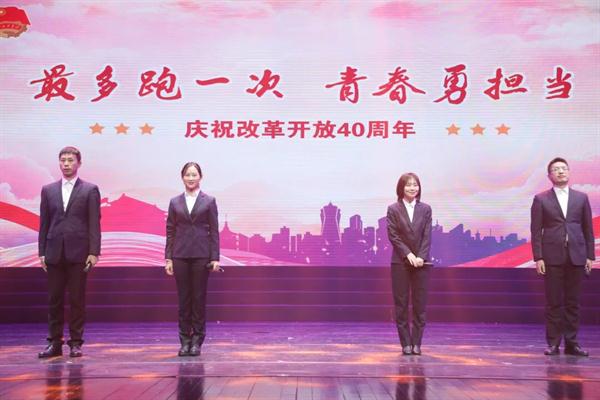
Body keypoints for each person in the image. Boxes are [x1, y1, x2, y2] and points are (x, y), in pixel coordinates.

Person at [38, 146, 101, 358]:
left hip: (79, 253)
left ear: (78, 163)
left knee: (76, 299)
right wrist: (41, 252)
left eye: (70, 160)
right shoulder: (48, 190)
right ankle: (54, 343)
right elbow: (44, 223)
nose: (66, 164)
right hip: (54, 252)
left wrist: (94, 251)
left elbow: (94, 222)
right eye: (63, 160)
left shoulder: (89, 190)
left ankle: (76, 343)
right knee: (54, 300)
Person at [531, 157, 595, 357]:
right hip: (552, 256)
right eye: (556, 169)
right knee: (554, 302)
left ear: (568, 172)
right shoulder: (541, 199)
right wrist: (538, 257)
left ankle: (572, 343)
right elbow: (536, 230)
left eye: (564, 168)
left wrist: (590, 255)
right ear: (549, 175)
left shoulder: (581, 198)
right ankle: (553, 343)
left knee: (573, 302)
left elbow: (588, 229)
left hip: (577, 255)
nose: (561, 171)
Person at [165, 162, 220, 356]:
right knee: (184, 299)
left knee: (198, 298)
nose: (190, 178)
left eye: (194, 174)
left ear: (200, 177)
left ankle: (197, 340)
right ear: (182, 177)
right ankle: (184, 341)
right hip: (180, 255)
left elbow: (214, 231)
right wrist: (168, 258)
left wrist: (215, 257)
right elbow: (170, 230)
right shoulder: (174, 202)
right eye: (187, 175)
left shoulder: (209, 201)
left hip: (201, 255)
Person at [386, 173, 432, 356]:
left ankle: (417, 343)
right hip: (400, 262)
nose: (412, 188)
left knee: (420, 304)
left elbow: (427, 236)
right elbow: (393, 235)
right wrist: (408, 254)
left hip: (421, 263)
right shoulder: (393, 209)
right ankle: (405, 343)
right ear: (401, 188)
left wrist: (420, 256)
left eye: (415, 185)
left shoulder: (426, 209)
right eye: (408, 185)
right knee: (402, 303)